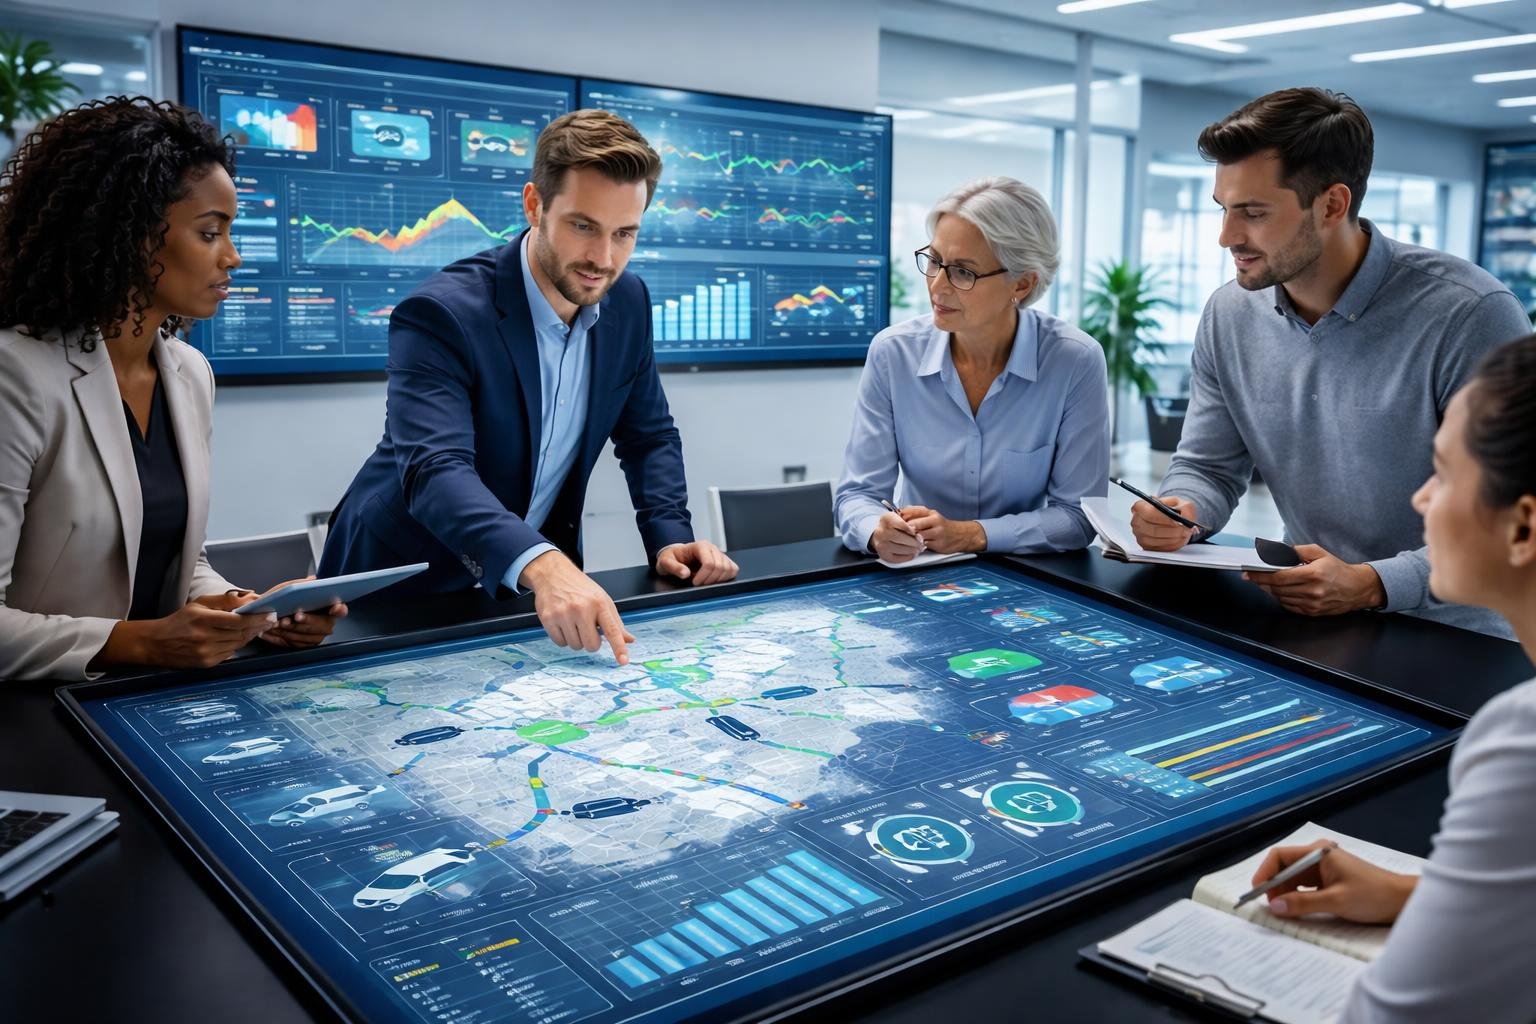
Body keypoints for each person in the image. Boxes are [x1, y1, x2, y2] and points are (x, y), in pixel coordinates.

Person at [320, 109, 736, 664]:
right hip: (397, 588)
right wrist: (543, 564)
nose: (603, 259)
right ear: (535, 205)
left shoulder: (628, 301)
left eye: (625, 233)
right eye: (583, 226)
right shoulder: (441, 313)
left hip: (519, 588)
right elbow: (435, 471)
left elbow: (648, 436)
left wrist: (668, 538)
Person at [1128, 88, 1529, 638]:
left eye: (1253, 213)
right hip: (1310, 615)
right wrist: (1181, 510)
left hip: (1462, 636)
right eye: (1224, 209)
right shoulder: (1229, 314)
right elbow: (1208, 467)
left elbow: (1511, 522)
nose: (1226, 237)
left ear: (1332, 205)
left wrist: (1373, 582)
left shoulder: (1471, 314)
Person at [0, 97, 344, 681]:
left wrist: (247, 611)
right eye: (210, 233)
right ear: (130, 235)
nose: (232, 258)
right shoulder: (17, 377)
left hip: (151, 702)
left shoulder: (188, 373)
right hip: (38, 719)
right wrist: (138, 643)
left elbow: (173, 564)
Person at [1247, 333, 1536, 1023]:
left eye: (1442, 473)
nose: (1420, 499)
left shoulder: (1521, 740)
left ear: (1523, 527)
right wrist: (1423, 895)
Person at [835, 176, 1108, 562]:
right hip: (918, 572)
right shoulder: (893, 353)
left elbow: (1079, 517)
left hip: (1028, 578)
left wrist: (970, 535)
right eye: (934, 262)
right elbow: (857, 496)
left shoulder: (1074, 361)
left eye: (963, 271)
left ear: (1023, 284)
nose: (937, 287)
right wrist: (876, 530)